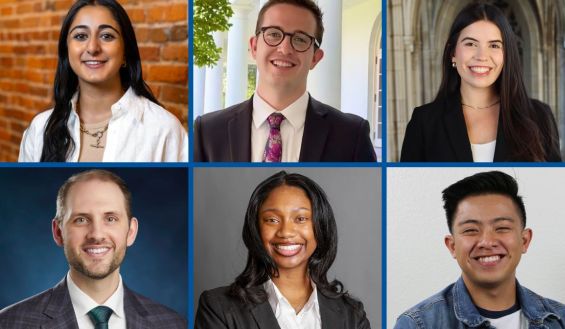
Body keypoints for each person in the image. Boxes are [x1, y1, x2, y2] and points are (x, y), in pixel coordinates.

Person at [0, 170, 187, 328]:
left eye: (110, 219)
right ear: (58, 232)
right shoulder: (9, 323)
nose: (97, 235)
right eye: (81, 219)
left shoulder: (172, 323)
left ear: (131, 231)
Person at [193, 0, 376, 162]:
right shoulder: (208, 132)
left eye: (300, 39)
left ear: (315, 58)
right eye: (273, 34)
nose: (285, 48)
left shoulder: (352, 135)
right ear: (254, 47)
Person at [394, 171, 565, 328]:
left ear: (525, 240)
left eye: (502, 228)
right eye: (471, 230)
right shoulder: (418, 324)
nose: (487, 242)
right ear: (452, 246)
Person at [195, 171, 371, 328]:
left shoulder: (351, 315)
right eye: (272, 220)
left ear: (321, 226)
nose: (286, 232)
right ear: (255, 228)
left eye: (301, 218)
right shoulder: (218, 307)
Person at [18, 0, 188, 162]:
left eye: (107, 36)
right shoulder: (39, 129)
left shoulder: (164, 129)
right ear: (66, 50)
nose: (92, 48)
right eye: (80, 36)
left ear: (125, 52)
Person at [400, 3, 561, 162]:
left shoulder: (540, 117)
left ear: (506, 55)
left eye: (494, 45)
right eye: (470, 44)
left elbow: (555, 186)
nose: (482, 56)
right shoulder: (424, 122)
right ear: (452, 53)